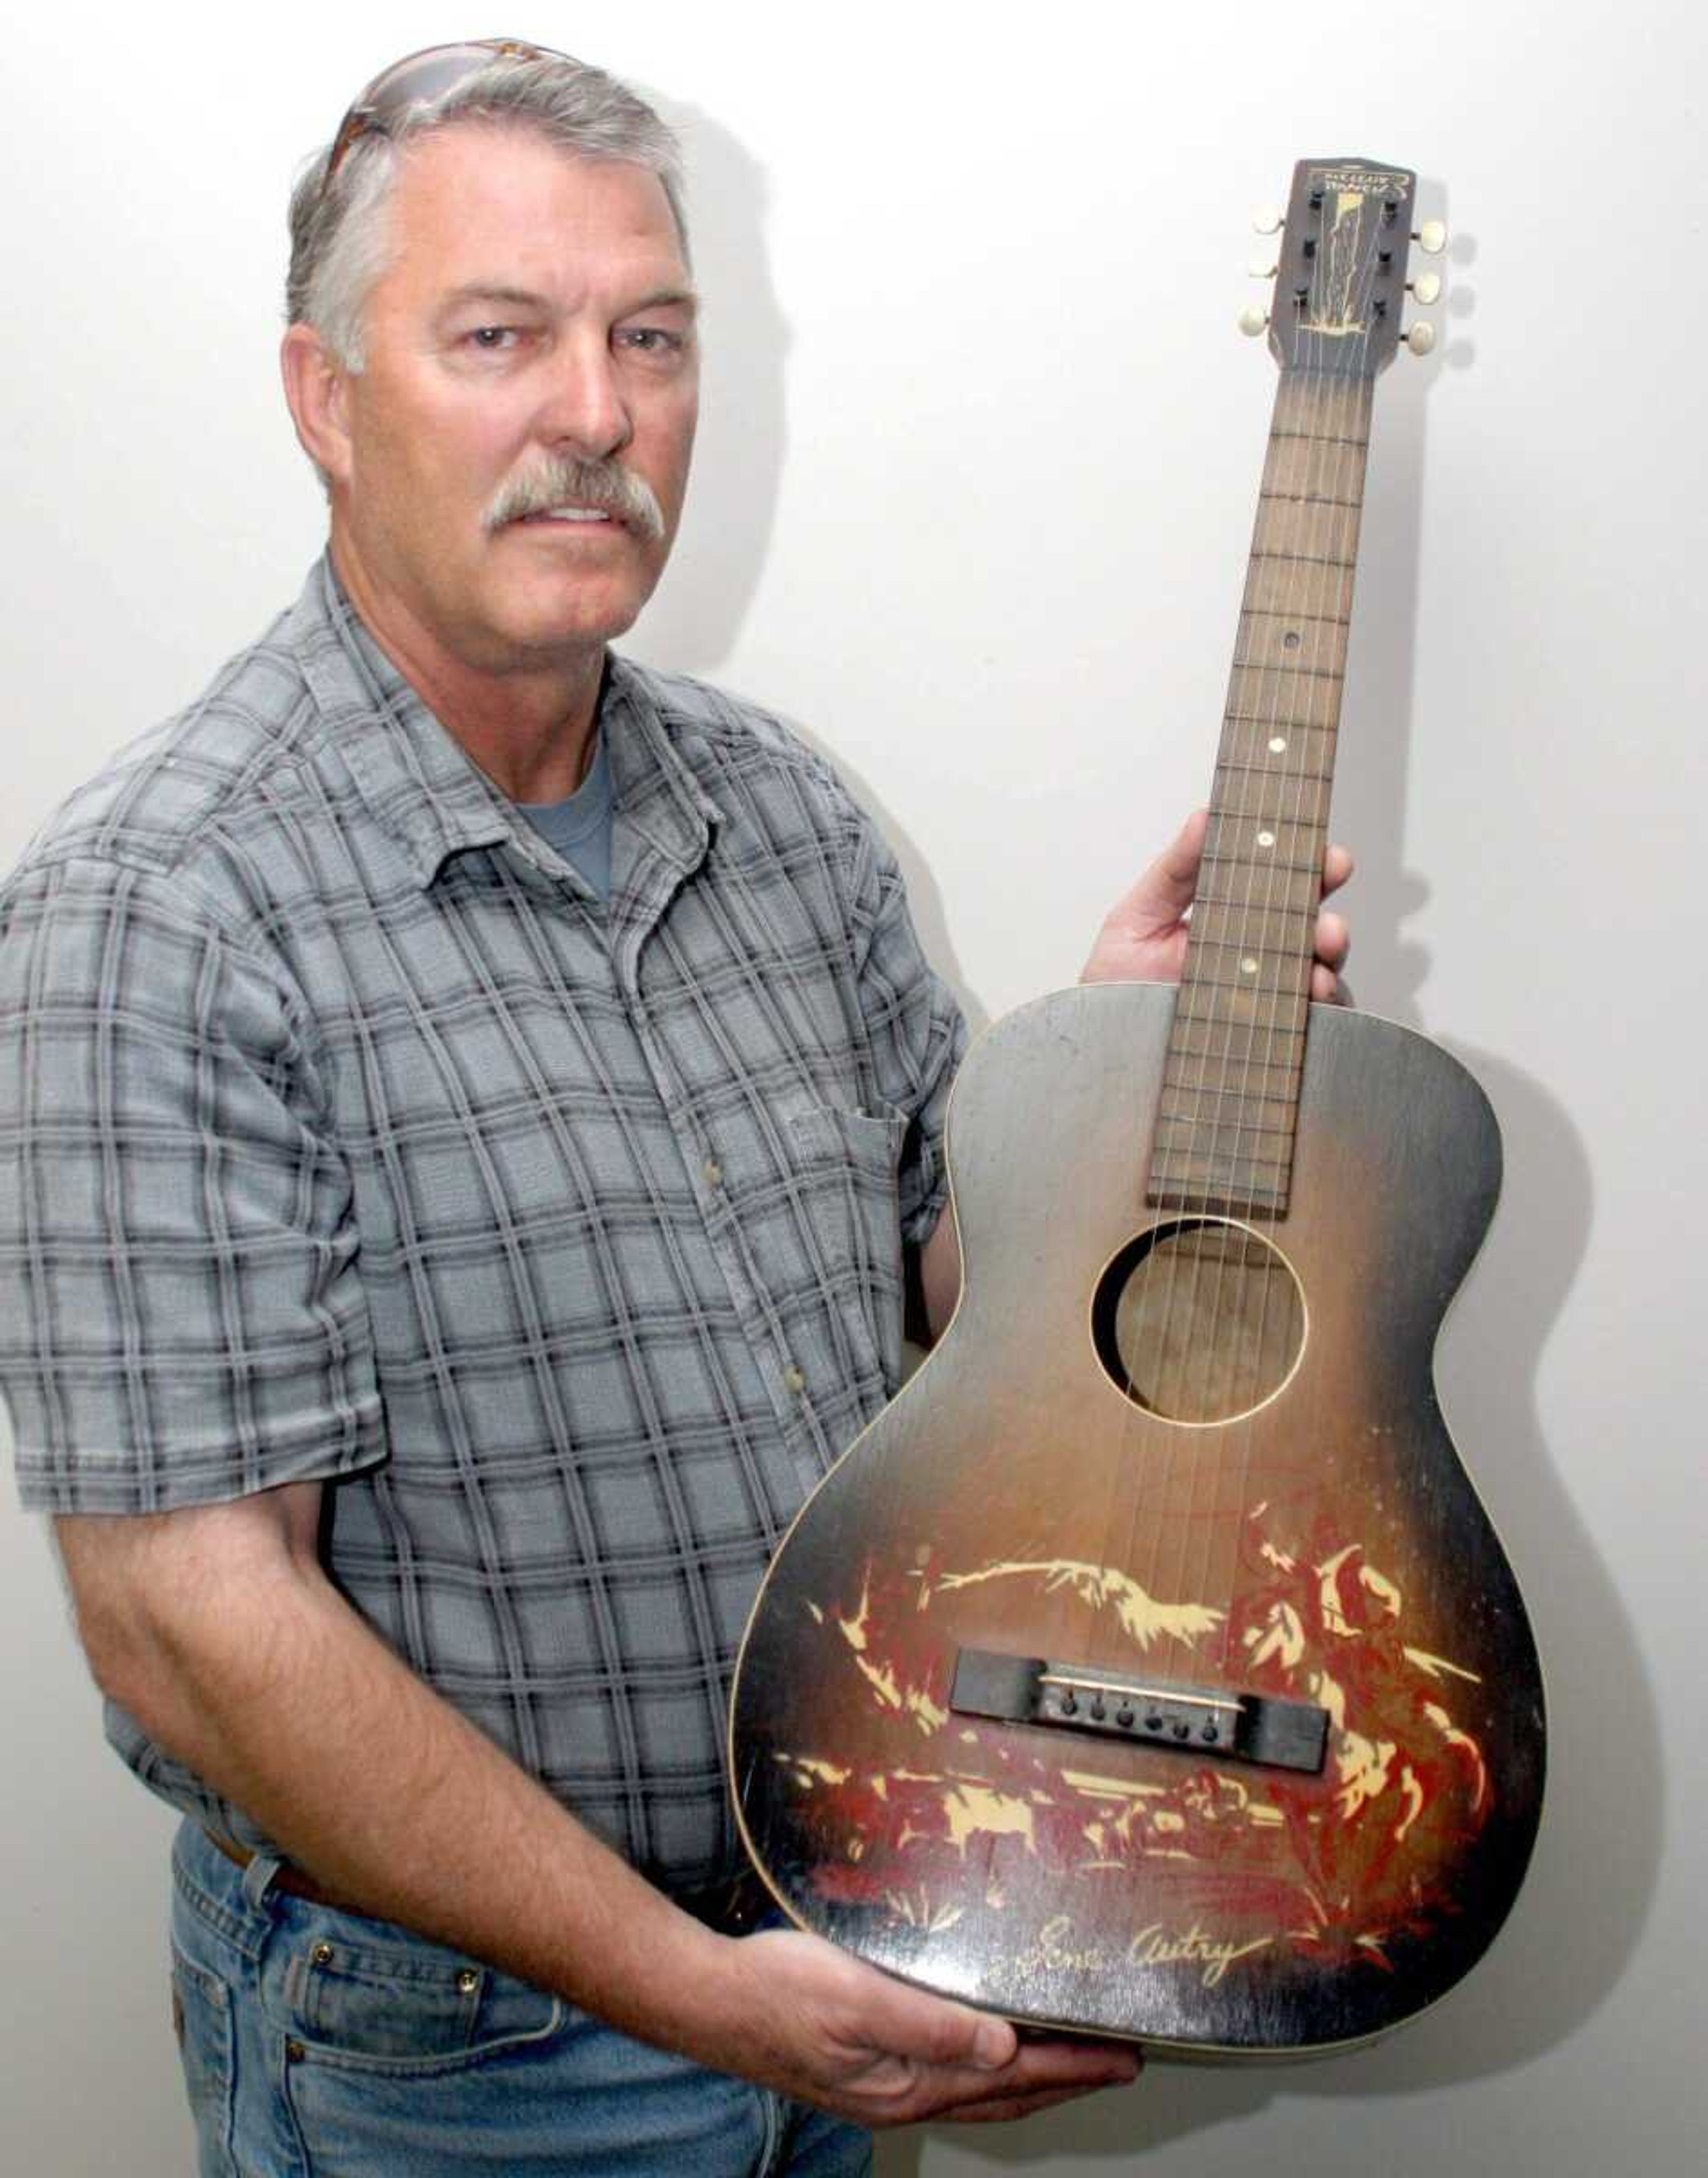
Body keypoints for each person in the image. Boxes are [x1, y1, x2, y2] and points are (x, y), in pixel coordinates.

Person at [0, 40, 1351, 2178]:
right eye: (498, 338)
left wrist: (1100, 1090)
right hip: (464, 2057)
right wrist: (687, 1987)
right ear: (323, 396)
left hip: (844, 1929)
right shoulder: (161, 908)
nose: (599, 414)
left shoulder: (783, 810)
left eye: (651, 336)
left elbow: (956, 1305)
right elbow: (190, 1620)